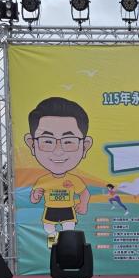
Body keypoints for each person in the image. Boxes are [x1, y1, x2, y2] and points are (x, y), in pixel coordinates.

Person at [25, 97, 93, 248]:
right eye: (47, 141)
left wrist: (83, 204)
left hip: (68, 209)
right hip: (50, 210)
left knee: (69, 229)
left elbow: (85, 193)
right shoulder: (42, 180)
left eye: (68, 141)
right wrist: (36, 195)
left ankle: (69, 247)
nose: (58, 151)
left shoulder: (74, 179)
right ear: (32, 145)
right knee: (49, 229)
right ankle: (53, 247)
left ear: (85, 146)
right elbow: (34, 199)